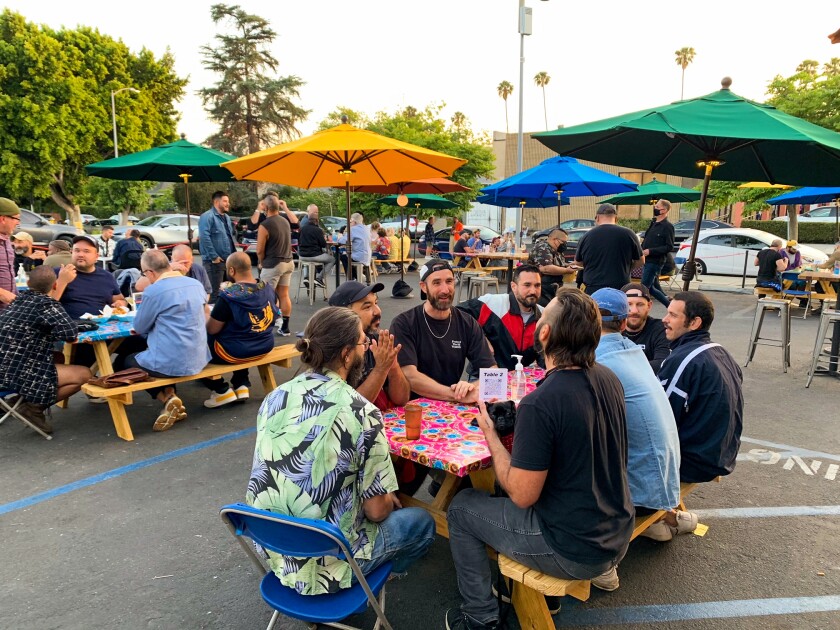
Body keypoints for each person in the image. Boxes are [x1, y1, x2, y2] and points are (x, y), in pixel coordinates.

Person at [445, 288, 634, 630]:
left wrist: (490, 431)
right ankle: (540, 596)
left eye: (542, 318)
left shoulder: (540, 402)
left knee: (460, 507)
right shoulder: (608, 378)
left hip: (573, 549)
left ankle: (479, 615)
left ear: (543, 333)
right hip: (617, 532)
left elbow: (522, 494)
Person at [245, 307, 436, 596]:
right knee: (422, 522)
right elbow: (376, 512)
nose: (365, 349)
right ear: (347, 354)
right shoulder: (363, 413)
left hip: (274, 548)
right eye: (362, 343)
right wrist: (382, 496)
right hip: (331, 563)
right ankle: (372, 580)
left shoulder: (276, 396)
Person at [591, 288, 682, 540]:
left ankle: (601, 555)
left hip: (640, 496)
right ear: (623, 323)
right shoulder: (631, 351)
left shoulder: (599, 362)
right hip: (664, 480)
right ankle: (663, 520)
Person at [113, 249, 210, 432]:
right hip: (199, 357)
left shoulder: (154, 291)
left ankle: (165, 398)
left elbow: (140, 327)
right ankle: (171, 398)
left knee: (124, 360)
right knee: (155, 353)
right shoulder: (195, 284)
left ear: (149, 272)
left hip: (171, 362)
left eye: (144, 273)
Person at [660, 291, 743, 486]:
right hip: (723, 455)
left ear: (695, 323)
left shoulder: (684, 360)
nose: (664, 319)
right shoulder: (721, 352)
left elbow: (660, 421)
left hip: (694, 464)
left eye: (673, 315)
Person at [0, 266, 91, 434]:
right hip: (22, 374)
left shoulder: (16, 302)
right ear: (55, 286)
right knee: (84, 374)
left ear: (27, 283)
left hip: (3, 371)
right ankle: (32, 408)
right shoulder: (47, 305)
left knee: (58, 359)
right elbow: (70, 334)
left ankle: (21, 402)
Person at [391, 259, 495, 403]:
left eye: (449, 281)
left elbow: (492, 373)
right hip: (413, 408)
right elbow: (409, 375)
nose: (445, 290)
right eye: (436, 283)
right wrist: (455, 395)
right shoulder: (404, 323)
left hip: (453, 408)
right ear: (423, 287)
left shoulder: (467, 323)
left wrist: (470, 388)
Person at [202, 252, 277, 408]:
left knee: (196, 346)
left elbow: (212, 329)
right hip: (264, 346)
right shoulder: (267, 288)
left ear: (231, 271)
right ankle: (241, 383)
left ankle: (220, 390)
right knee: (243, 332)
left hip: (232, 352)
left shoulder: (229, 296)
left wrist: (206, 314)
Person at [328, 280, 410, 410]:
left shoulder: (376, 341)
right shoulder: (334, 351)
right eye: (367, 307)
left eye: (376, 303)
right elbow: (350, 409)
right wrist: (381, 369)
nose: (377, 311)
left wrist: (393, 366)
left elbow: (401, 399)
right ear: (344, 314)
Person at [456, 264, 545, 371]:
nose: (533, 291)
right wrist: (481, 338)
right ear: (514, 287)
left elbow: (545, 356)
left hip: (520, 379)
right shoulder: (493, 303)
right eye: (527, 285)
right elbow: (457, 313)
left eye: (537, 285)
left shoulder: (544, 315)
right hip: (485, 375)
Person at [52, 235, 128, 320]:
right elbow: (44, 307)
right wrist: (62, 281)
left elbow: (121, 300)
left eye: (86, 251)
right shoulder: (59, 273)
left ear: (96, 256)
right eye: (77, 251)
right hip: (70, 328)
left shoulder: (107, 276)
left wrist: (120, 304)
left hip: (103, 326)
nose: (80, 254)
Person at [575, 203, 644, 294]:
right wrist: (626, 268)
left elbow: (578, 262)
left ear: (597, 217)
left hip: (593, 286)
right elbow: (641, 260)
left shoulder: (586, 236)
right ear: (616, 219)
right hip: (620, 286)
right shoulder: (629, 234)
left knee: (594, 308)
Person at [257, 195, 298, 337]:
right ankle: (285, 327)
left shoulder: (265, 225)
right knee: (284, 295)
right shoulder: (285, 221)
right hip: (288, 262)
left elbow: (259, 249)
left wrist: (261, 262)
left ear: (266, 208)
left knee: (264, 296)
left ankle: (264, 328)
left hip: (273, 264)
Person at [620, 283, 671, 374]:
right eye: (629, 304)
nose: (634, 310)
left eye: (640, 304)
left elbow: (663, 363)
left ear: (649, 306)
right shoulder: (612, 328)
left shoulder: (661, 329)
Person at [199, 190, 237, 302]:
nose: (228, 203)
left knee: (229, 293)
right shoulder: (207, 216)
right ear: (216, 202)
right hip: (214, 263)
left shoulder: (227, 218)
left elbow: (230, 237)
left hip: (228, 261)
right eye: (225, 201)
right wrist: (214, 257)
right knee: (214, 295)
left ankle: (225, 319)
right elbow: (204, 237)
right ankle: (212, 318)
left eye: (228, 201)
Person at [640, 199, 675, 306]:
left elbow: (669, 246)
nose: (654, 208)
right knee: (654, 286)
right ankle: (670, 302)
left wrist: (650, 251)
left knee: (646, 288)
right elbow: (647, 240)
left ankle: (669, 306)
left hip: (655, 261)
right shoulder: (654, 223)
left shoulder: (667, 226)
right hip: (647, 260)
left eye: (657, 207)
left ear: (664, 210)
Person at [528, 229, 575, 307]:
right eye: (563, 242)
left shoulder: (556, 250)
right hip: (541, 289)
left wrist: (568, 266)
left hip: (553, 288)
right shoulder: (543, 248)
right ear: (555, 240)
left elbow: (557, 265)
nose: (565, 245)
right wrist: (566, 270)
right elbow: (547, 268)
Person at [297, 204, 336, 287]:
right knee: (332, 259)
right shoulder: (318, 230)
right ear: (317, 221)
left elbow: (299, 241)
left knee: (315, 258)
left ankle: (307, 277)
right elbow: (323, 244)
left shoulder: (302, 228)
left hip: (302, 256)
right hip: (314, 255)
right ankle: (319, 278)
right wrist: (324, 238)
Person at [0, 198, 22, 311]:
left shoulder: (7, 240)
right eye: (16, 219)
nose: (18, 223)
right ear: (3, 219)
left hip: (6, 312)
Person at [338, 212, 372, 280]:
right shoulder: (366, 228)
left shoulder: (353, 229)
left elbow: (342, 241)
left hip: (358, 256)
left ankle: (351, 278)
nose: (349, 223)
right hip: (367, 256)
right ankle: (357, 276)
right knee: (348, 256)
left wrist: (340, 237)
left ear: (354, 221)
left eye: (350, 221)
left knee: (343, 257)